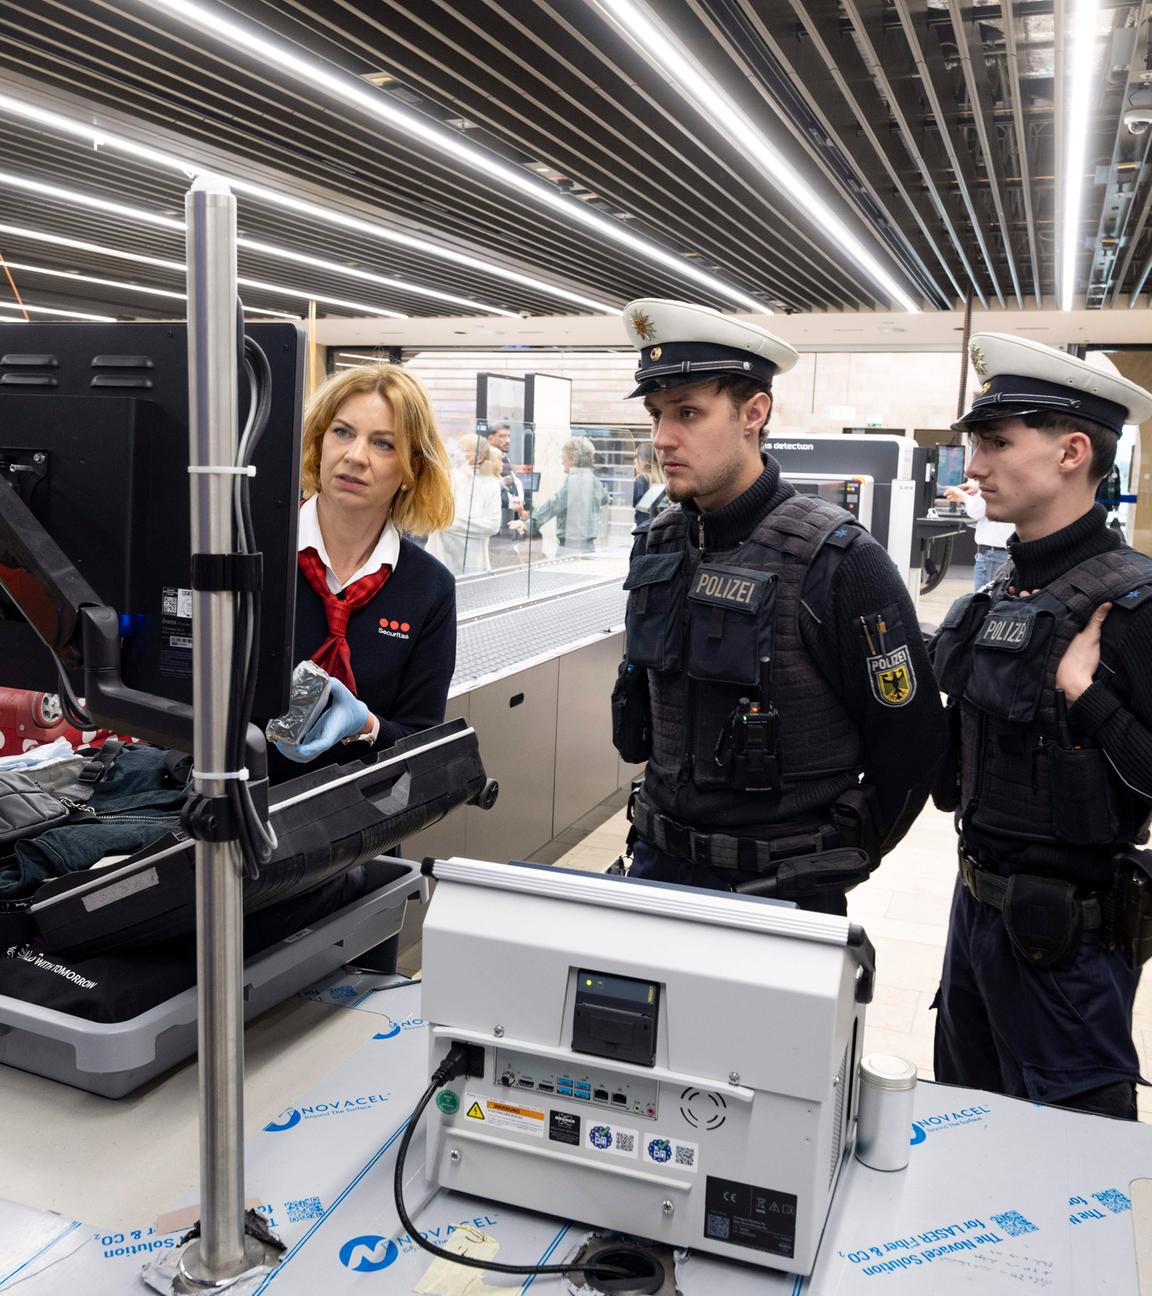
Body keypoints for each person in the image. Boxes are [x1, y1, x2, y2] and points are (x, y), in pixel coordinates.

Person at [612, 298, 947, 915]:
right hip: (656, 868)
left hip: (778, 891)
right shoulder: (657, 541)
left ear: (754, 413)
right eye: (658, 414)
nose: (663, 438)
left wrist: (835, 858)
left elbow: (914, 740)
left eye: (688, 413)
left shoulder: (839, 559)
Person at [930, 332, 1152, 1120]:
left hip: (1068, 950)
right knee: (959, 1136)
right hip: (975, 922)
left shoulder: (1132, 605)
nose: (974, 467)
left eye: (995, 443)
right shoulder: (998, 598)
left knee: (1076, 1172)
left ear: (1072, 452)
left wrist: (1088, 697)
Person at [269, 363, 456, 777]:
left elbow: (422, 745)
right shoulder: (255, 553)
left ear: (413, 470)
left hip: (362, 823)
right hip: (238, 811)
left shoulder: (428, 587)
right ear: (319, 443)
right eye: (342, 432)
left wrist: (366, 725)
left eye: (383, 444)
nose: (355, 456)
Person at [426, 433, 505, 575]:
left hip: (473, 565)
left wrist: (449, 523)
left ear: (479, 457)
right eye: (458, 448)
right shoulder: (446, 477)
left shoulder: (490, 484)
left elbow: (492, 526)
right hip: (439, 558)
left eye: (463, 450)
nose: (457, 454)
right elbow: (435, 517)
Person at [530, 436, 609, 551]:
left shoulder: (575, 479)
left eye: (563, 457)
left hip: (570, 547)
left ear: (572, 459)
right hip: (588, 545)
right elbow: (604, 499)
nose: (562, 461)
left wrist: (531, 523)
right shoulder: (594, 479)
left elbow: (555, 503)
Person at [943, 478, 1015, 590]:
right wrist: (978, 488)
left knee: (984, 603)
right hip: (1009, 553)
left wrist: (963, 497)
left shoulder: (994, 476)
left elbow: (976, 510)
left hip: (993, 555)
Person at [488, 421, 527, 541]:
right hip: (494, 529)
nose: (507, 440)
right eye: (502, 436)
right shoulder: (486, 461)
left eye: (508, 436)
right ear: (490, 438)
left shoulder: (504, 459)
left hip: (509, 525)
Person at [633, 442, 653, 526]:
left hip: (643, 528)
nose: (635, 461)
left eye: (636, 457)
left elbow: (632, 500)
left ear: (642, 459)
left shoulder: (641, 479)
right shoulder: (662, 478)